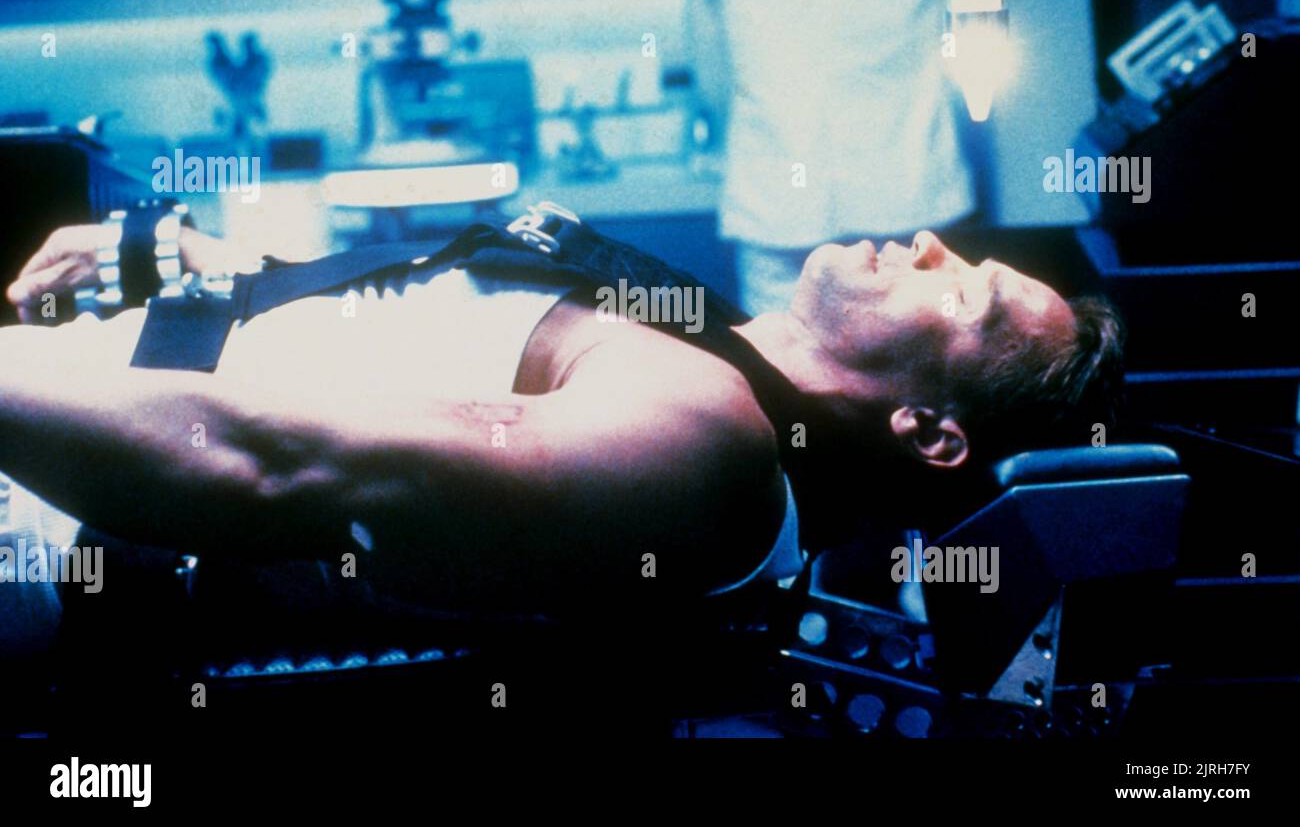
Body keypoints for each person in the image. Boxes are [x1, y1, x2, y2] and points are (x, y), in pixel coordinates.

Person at [0, 216, 1123, 658]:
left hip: (41, 520)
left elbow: (272, 465)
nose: (929, 243)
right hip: (66, 404)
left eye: (961, 293)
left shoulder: (700, 446)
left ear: (928, 432)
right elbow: (415, 323)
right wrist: (198, 254)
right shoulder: (709, 343)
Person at [684, 0, 977, 315]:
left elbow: (711, 80)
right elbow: (969, 51)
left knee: (783, 355)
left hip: (777, 205)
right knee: (915, 354)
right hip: (910, 196)